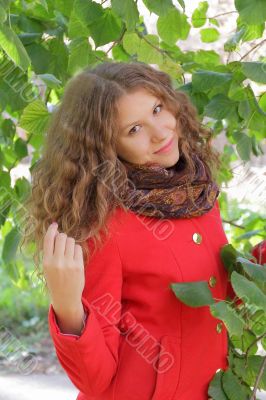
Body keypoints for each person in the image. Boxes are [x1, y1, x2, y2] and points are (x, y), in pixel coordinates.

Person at [31, 61, 233, 399]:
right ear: (108, 147)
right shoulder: (105, 225)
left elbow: (214, 299)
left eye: (157, 109)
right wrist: (68, 307)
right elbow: (94, 380)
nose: (160, 132)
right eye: (134, 129)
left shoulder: (196, 193)